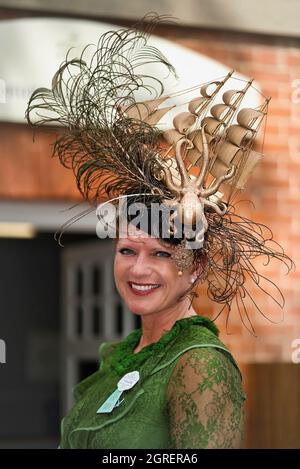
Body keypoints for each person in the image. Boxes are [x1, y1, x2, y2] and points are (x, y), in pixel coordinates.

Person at [25, 15, 294, 449]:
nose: (139, 268)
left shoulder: (199, 365)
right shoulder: (123, 357)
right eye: (128, 250)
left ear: (197, 266)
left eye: (163, 254)